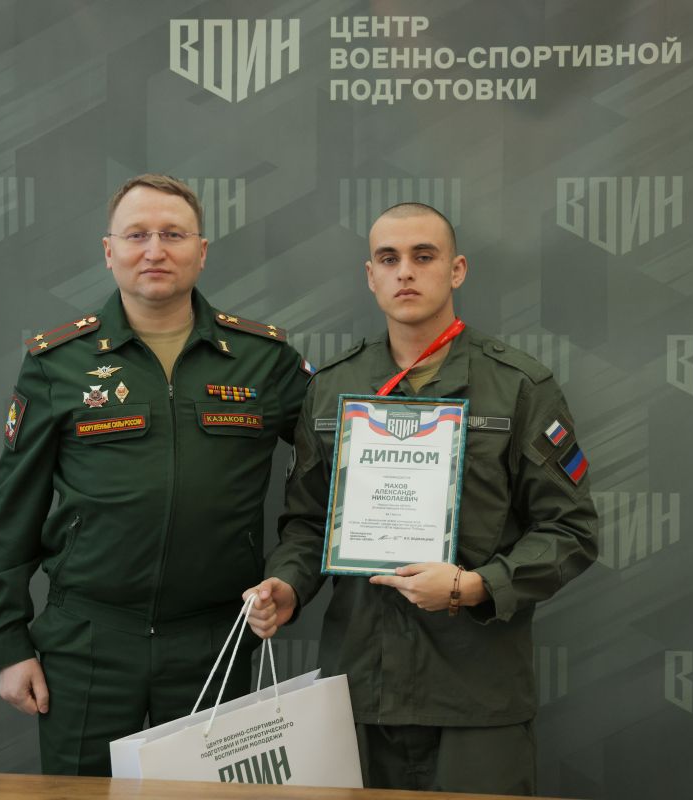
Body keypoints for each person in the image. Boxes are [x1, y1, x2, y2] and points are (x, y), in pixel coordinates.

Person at [243, 202, 599, 796]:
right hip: (360, 691)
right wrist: (287, 585)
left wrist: (472, 586)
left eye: (423, 256)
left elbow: (571, 531)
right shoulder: (331, 388)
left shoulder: (517, 386)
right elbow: (307, 523)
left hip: (475, 694)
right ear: (370, 276)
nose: (405, 271)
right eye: (389, 259)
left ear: (456, 270)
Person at [0, 174, 310, 775]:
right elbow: (15, 509)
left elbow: (324, 479)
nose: (155, 250)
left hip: (215, 640)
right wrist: (8, 642)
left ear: (201, 251)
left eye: (173, 234)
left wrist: (290, 577)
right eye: (137, 235)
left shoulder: (265, 360)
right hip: (87, 642)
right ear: (110, 251)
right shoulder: (57, 363)